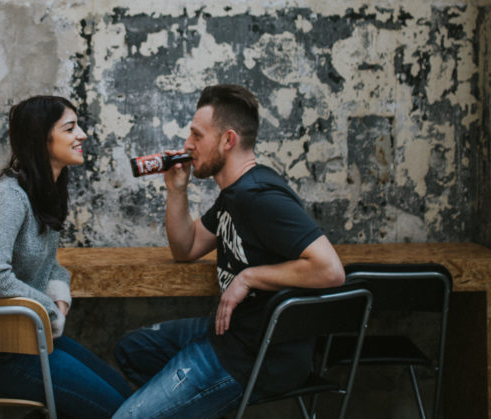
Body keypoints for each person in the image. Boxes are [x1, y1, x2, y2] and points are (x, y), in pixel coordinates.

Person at [113, 84, 345, 419]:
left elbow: (330, 270)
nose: (187, 145)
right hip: (230, 333)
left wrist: (250, 277)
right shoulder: (233, 195)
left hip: (258, 355)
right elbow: (187, 248)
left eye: (196, 135)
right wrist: (177, 190)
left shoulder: (260, 196)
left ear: (228, 140)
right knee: (133, 350)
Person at [0, 95, 132, 419]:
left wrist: (59, 300)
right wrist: (51, 309)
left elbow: (51, 265)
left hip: (27, 341)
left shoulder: (42, 194)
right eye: (70, 128)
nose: (81, 135)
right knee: (120, 413)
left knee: (130, 401)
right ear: (42, 138)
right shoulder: (10, 199)